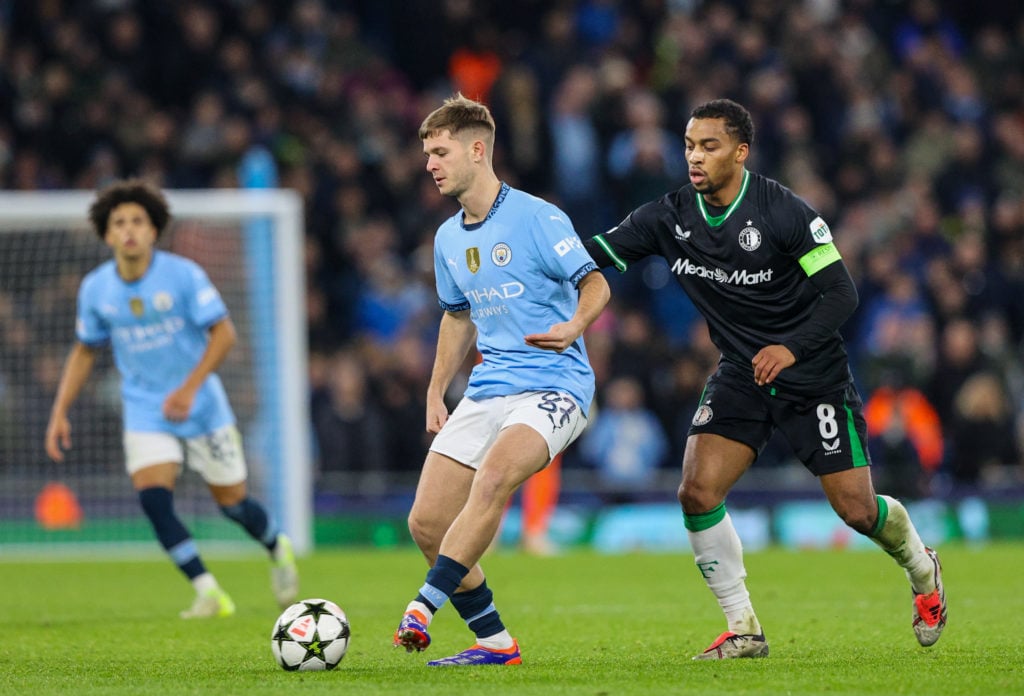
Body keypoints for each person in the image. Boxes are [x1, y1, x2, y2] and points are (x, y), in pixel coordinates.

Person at [584, 99, 946, 659]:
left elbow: (841, 294)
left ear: (741, 151)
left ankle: (923, 569)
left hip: (814, 375)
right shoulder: (667, 216)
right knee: (697, 491)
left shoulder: (784, 212)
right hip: (742, 372)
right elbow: (593, 255)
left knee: (856, 509)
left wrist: (791, 347)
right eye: (688, 145)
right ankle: (744, 628)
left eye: (709, 146)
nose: (694, 158)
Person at [392, 94, 610, 666]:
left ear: (477, 149)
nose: (431, 164)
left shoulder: (538, 217)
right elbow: (457, 315)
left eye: (440, 152)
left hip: (555, 386)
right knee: (427, 522)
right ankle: (496, 644)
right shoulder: (447, 239)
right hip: (489, 387)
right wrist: (437, 389)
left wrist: (575, 325)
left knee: (492, 482)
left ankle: (422, 607)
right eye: (427, 155)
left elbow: (596, 285)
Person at [44, 178, 299, 619]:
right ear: (106, 234)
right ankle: (208, 591)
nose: (128, 230)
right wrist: (60, 411)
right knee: (153, 498)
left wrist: (188, 388)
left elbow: (224, 334)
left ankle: (277, 545)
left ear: (153, 231)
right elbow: (85, 349)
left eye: (138, 221)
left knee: (233, 505)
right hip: (145, 408)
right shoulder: (96, 289)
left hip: (200, 404)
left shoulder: (183, 275)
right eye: (119, 222)